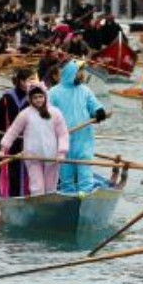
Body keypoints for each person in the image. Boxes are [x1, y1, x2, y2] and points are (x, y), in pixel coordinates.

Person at [49, 60, 109, 192]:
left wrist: (99, 112)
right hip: (63, 140)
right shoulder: (53, 92)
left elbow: (95, 106)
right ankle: (68, 195)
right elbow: (47, 114)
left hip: (84, 139)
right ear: (71, 73)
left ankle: (86, 194)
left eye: (82, 72)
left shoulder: (85, 91)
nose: (82, 75)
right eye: (79, 72)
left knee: (85, 171)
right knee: (66, 173)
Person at [0, 82, 69, 196]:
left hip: (52, 156)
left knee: (50, 187)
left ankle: (50, 207)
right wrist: (3, 148)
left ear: (45, 97)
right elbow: (13, 131)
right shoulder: (25, 114)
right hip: (32, 156)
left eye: (41, 96)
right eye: (35, 97)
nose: (38, 100)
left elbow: (63, 134)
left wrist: (62, 152)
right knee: (37, 187)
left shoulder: (55, 113)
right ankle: (38, 206)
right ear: (30, 99)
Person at [0, 68, 33, 197]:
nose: (33, 83)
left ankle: (28, 194)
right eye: (30, 80)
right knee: (12, 171)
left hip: (30, 142)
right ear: (21, 81)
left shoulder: (36, 98)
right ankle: (11, 196)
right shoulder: (8, 98)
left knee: (30, 171)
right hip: (11, 142)